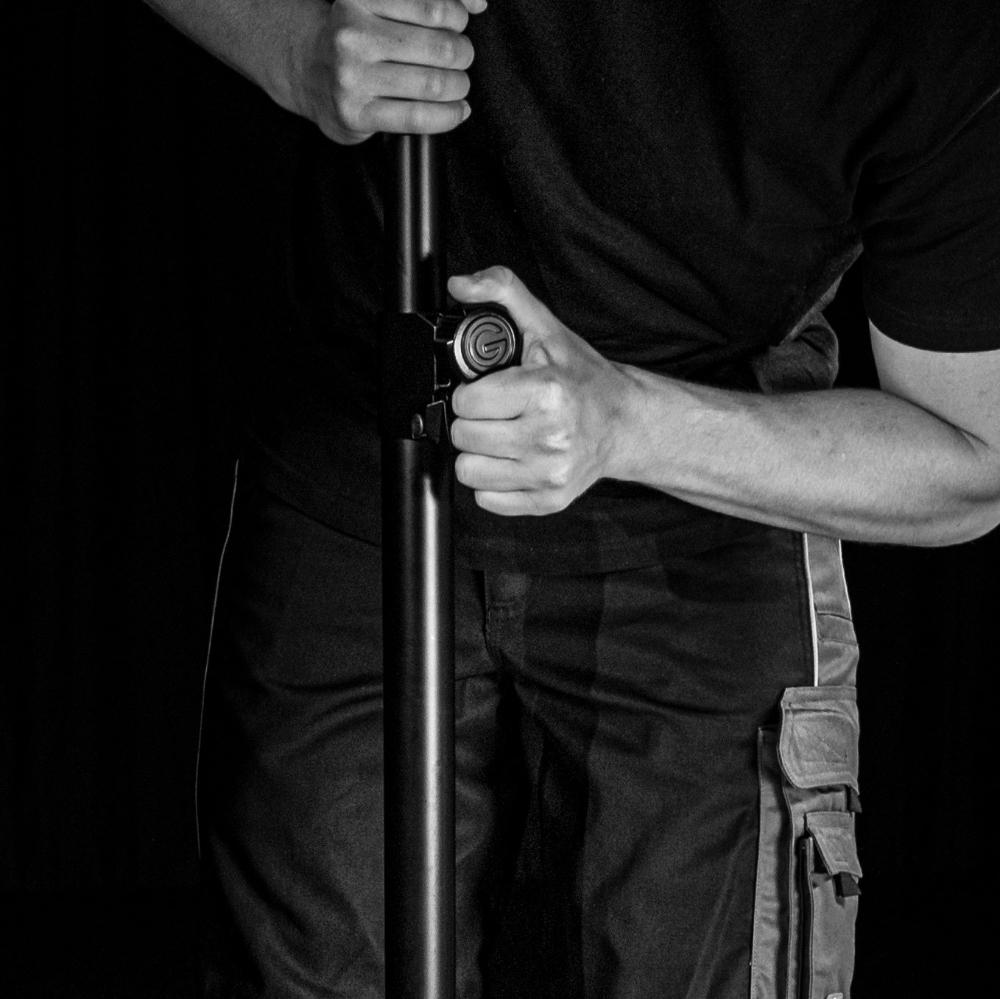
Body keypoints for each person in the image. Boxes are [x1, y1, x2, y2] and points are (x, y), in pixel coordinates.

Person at [146, 1, 1000, 996]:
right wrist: (293, 44)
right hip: (363, 448)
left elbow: (972, 457)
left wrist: (627, 422)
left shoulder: (942, 31)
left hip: (710, 490)